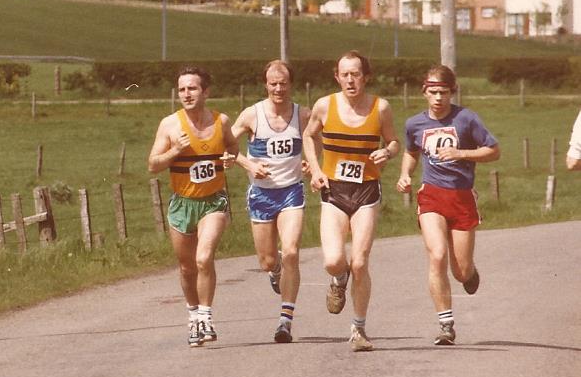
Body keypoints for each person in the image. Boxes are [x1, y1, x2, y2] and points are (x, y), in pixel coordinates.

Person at [303, 51, 400, 352]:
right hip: (334, 191)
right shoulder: (324, 105)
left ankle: (358, 329)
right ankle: (338, 279)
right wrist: (316, 170)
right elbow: (308, 136)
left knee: (360, 261)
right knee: (334, 261)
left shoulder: (380, 108)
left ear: (365, 76)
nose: (350, 79)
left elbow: (394, 141)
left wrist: (388, 152)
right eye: (344, 74)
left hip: (367, 191)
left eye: (355, 73)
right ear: (337, 77)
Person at [396, 65, 499, 346]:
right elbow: (411, 151)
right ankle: (446, 324)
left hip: (462, 197)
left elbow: (493, 150)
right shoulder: (414, 124)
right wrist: (405, 174)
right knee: (437, 255)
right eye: (433, 92)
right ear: (424, 92)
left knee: (461, 271)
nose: (439, 98)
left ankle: (470, 271)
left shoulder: (466, 119)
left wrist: (461, 152)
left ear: (452, 92)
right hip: (431, 195)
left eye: (444, 92)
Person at [148, 66, 240, 347]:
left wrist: (228, 159)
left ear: (206, 92)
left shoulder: (220, 121)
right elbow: (152, 165)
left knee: (204, 258)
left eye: (192, 88)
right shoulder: (170, 125)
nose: (186, 94)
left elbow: (233, 148)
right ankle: (193, 315)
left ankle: (205, 316)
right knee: (187, 268)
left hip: (213, 201)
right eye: (182, 89)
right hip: (182, 204)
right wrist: (175, 150)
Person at [230, 60, 310, 344]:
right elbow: (224, 146)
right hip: (262, 194)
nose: (279, 88)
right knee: (267, 260)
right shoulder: (252, 115)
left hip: (291, 192)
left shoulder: (303, 115)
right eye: (273, 83)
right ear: (266, 85)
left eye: (283, 83)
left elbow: (317, 143)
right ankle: (274, 272)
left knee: (290, 251)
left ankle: (285, 321)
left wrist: (312, 164)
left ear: (291, 84)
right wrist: (248, 165)